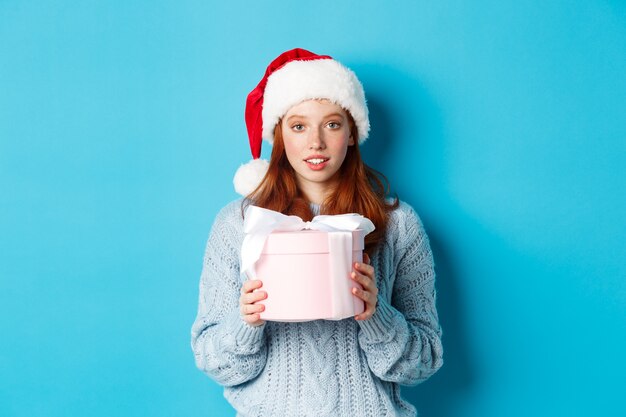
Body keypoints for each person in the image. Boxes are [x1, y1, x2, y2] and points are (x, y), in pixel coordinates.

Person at [191, 48, 443, 417]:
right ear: (279, 136)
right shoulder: (237, 224)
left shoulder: (398, 223)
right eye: (298, 126)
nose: (316, 143)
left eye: (332, 124)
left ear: (353, 133)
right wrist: (246, 322)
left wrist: (376, 314)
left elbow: (423, 363)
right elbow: (216, 364)